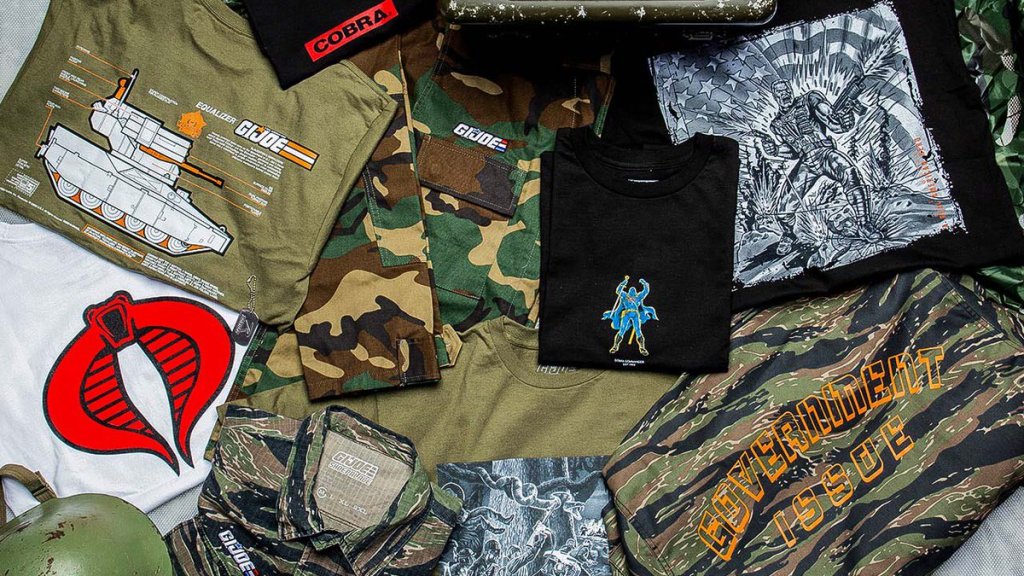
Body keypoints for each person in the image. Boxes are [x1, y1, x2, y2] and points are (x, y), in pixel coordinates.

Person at [602, 276, 658, 356]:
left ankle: (642, 347)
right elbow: (618, 291)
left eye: (634, 290)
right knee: (622, 329)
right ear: (628, 292)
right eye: (631, 290)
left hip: (635, 314)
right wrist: (624, 282)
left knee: (638, 330)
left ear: (635, 292)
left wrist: (644, 283)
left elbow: (646, 291)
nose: (632, 290)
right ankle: (615, 346)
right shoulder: (625, 296)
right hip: (627, 314)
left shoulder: (638, 297)